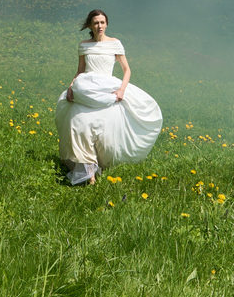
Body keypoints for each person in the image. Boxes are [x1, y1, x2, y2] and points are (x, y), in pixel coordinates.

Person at [54, 9, 164, 185]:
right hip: (86, 89)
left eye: (102, 22)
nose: (99, 26)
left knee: (106, 131)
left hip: (108, 89)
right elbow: (80, 70)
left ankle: (102, 164)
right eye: (96, 22)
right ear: (90, 25)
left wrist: (121, 90)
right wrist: (71, 87)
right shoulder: (84, 45)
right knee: (78, 125)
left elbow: (127, 70)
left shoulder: (115, 44)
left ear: (106, 24)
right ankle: (88, 171)